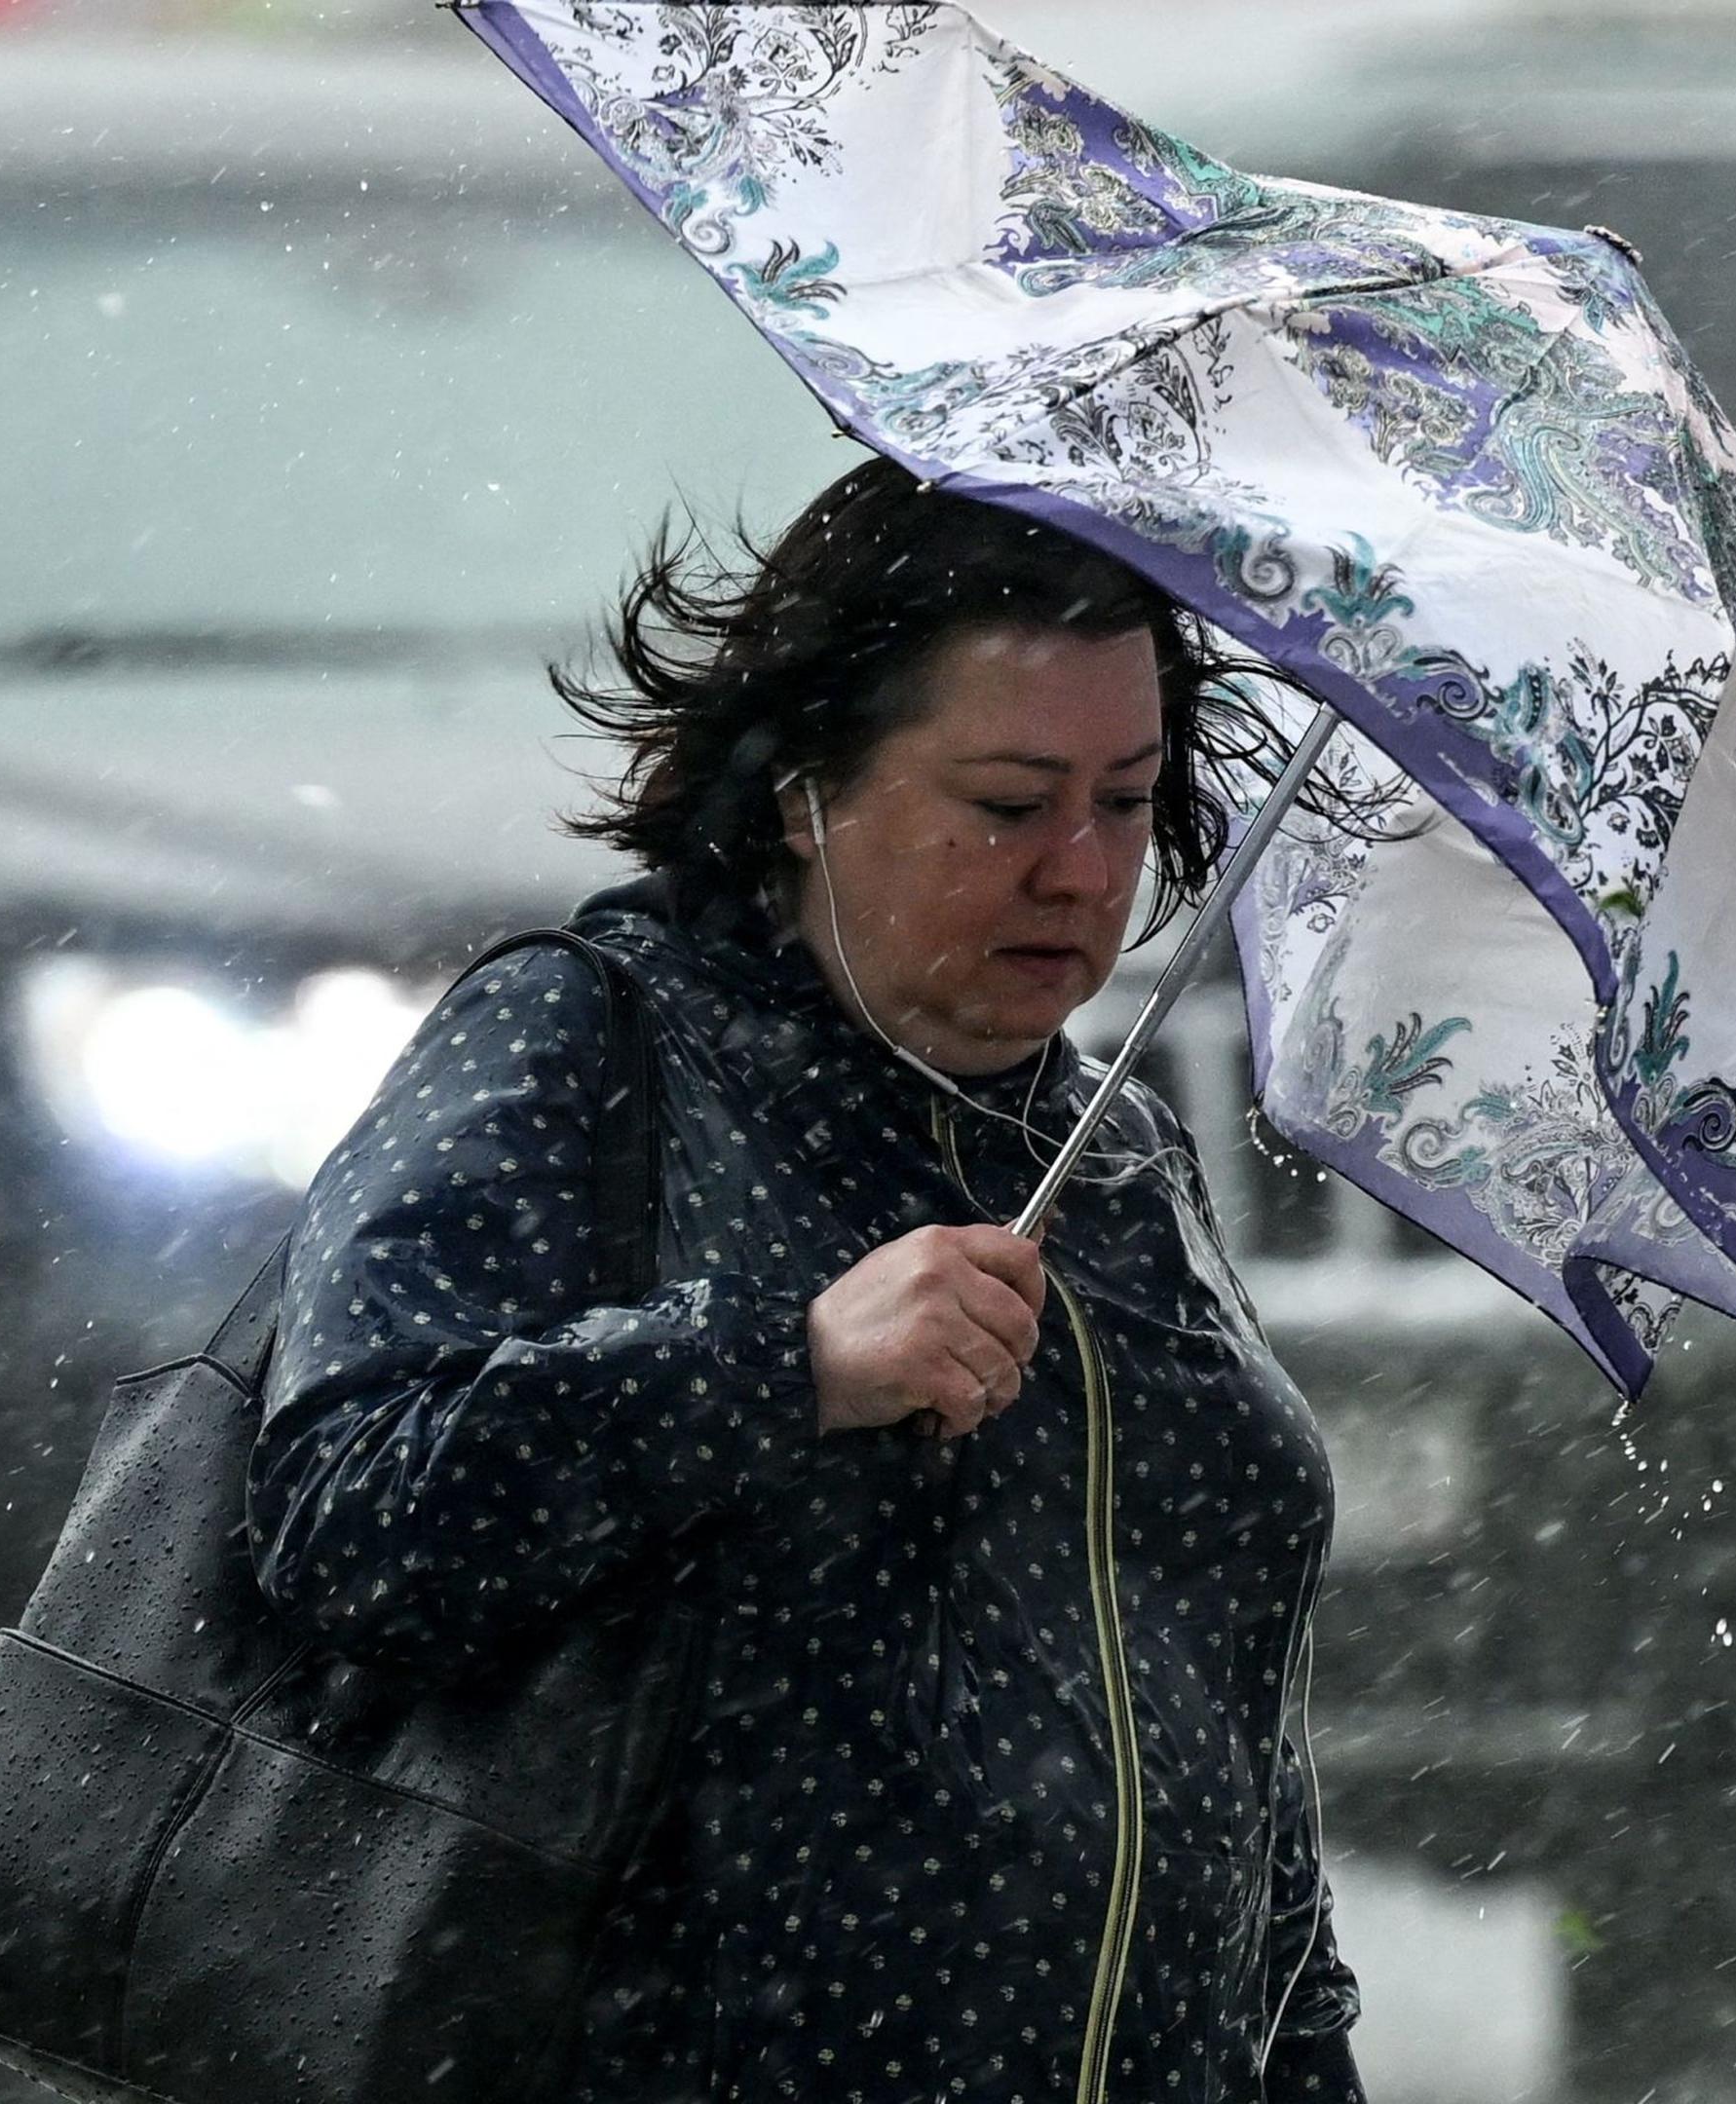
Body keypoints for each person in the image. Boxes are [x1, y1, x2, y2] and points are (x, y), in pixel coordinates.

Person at [250, 458, 1370, 2103]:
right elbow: (341, 1517)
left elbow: (1230, 1783)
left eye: (1126, 800)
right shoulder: (593, 1045)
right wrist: (787, 1369)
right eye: (1006, 803)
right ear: (803, 792)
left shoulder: (1121, 1162)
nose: (1080, 870)